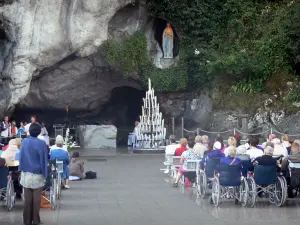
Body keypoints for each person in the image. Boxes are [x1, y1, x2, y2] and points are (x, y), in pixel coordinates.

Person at [19, 123, 48, 225]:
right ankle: (36, 220)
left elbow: (21, 157)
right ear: (39, 132)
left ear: (29, 131)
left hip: (26, 174)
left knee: (27, 201)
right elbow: (44, 160)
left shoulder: (24, 142)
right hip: (37, 175)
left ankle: (26, 220)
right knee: (36, 201)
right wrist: (45, 174)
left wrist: (21, 170)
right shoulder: (42, 143)